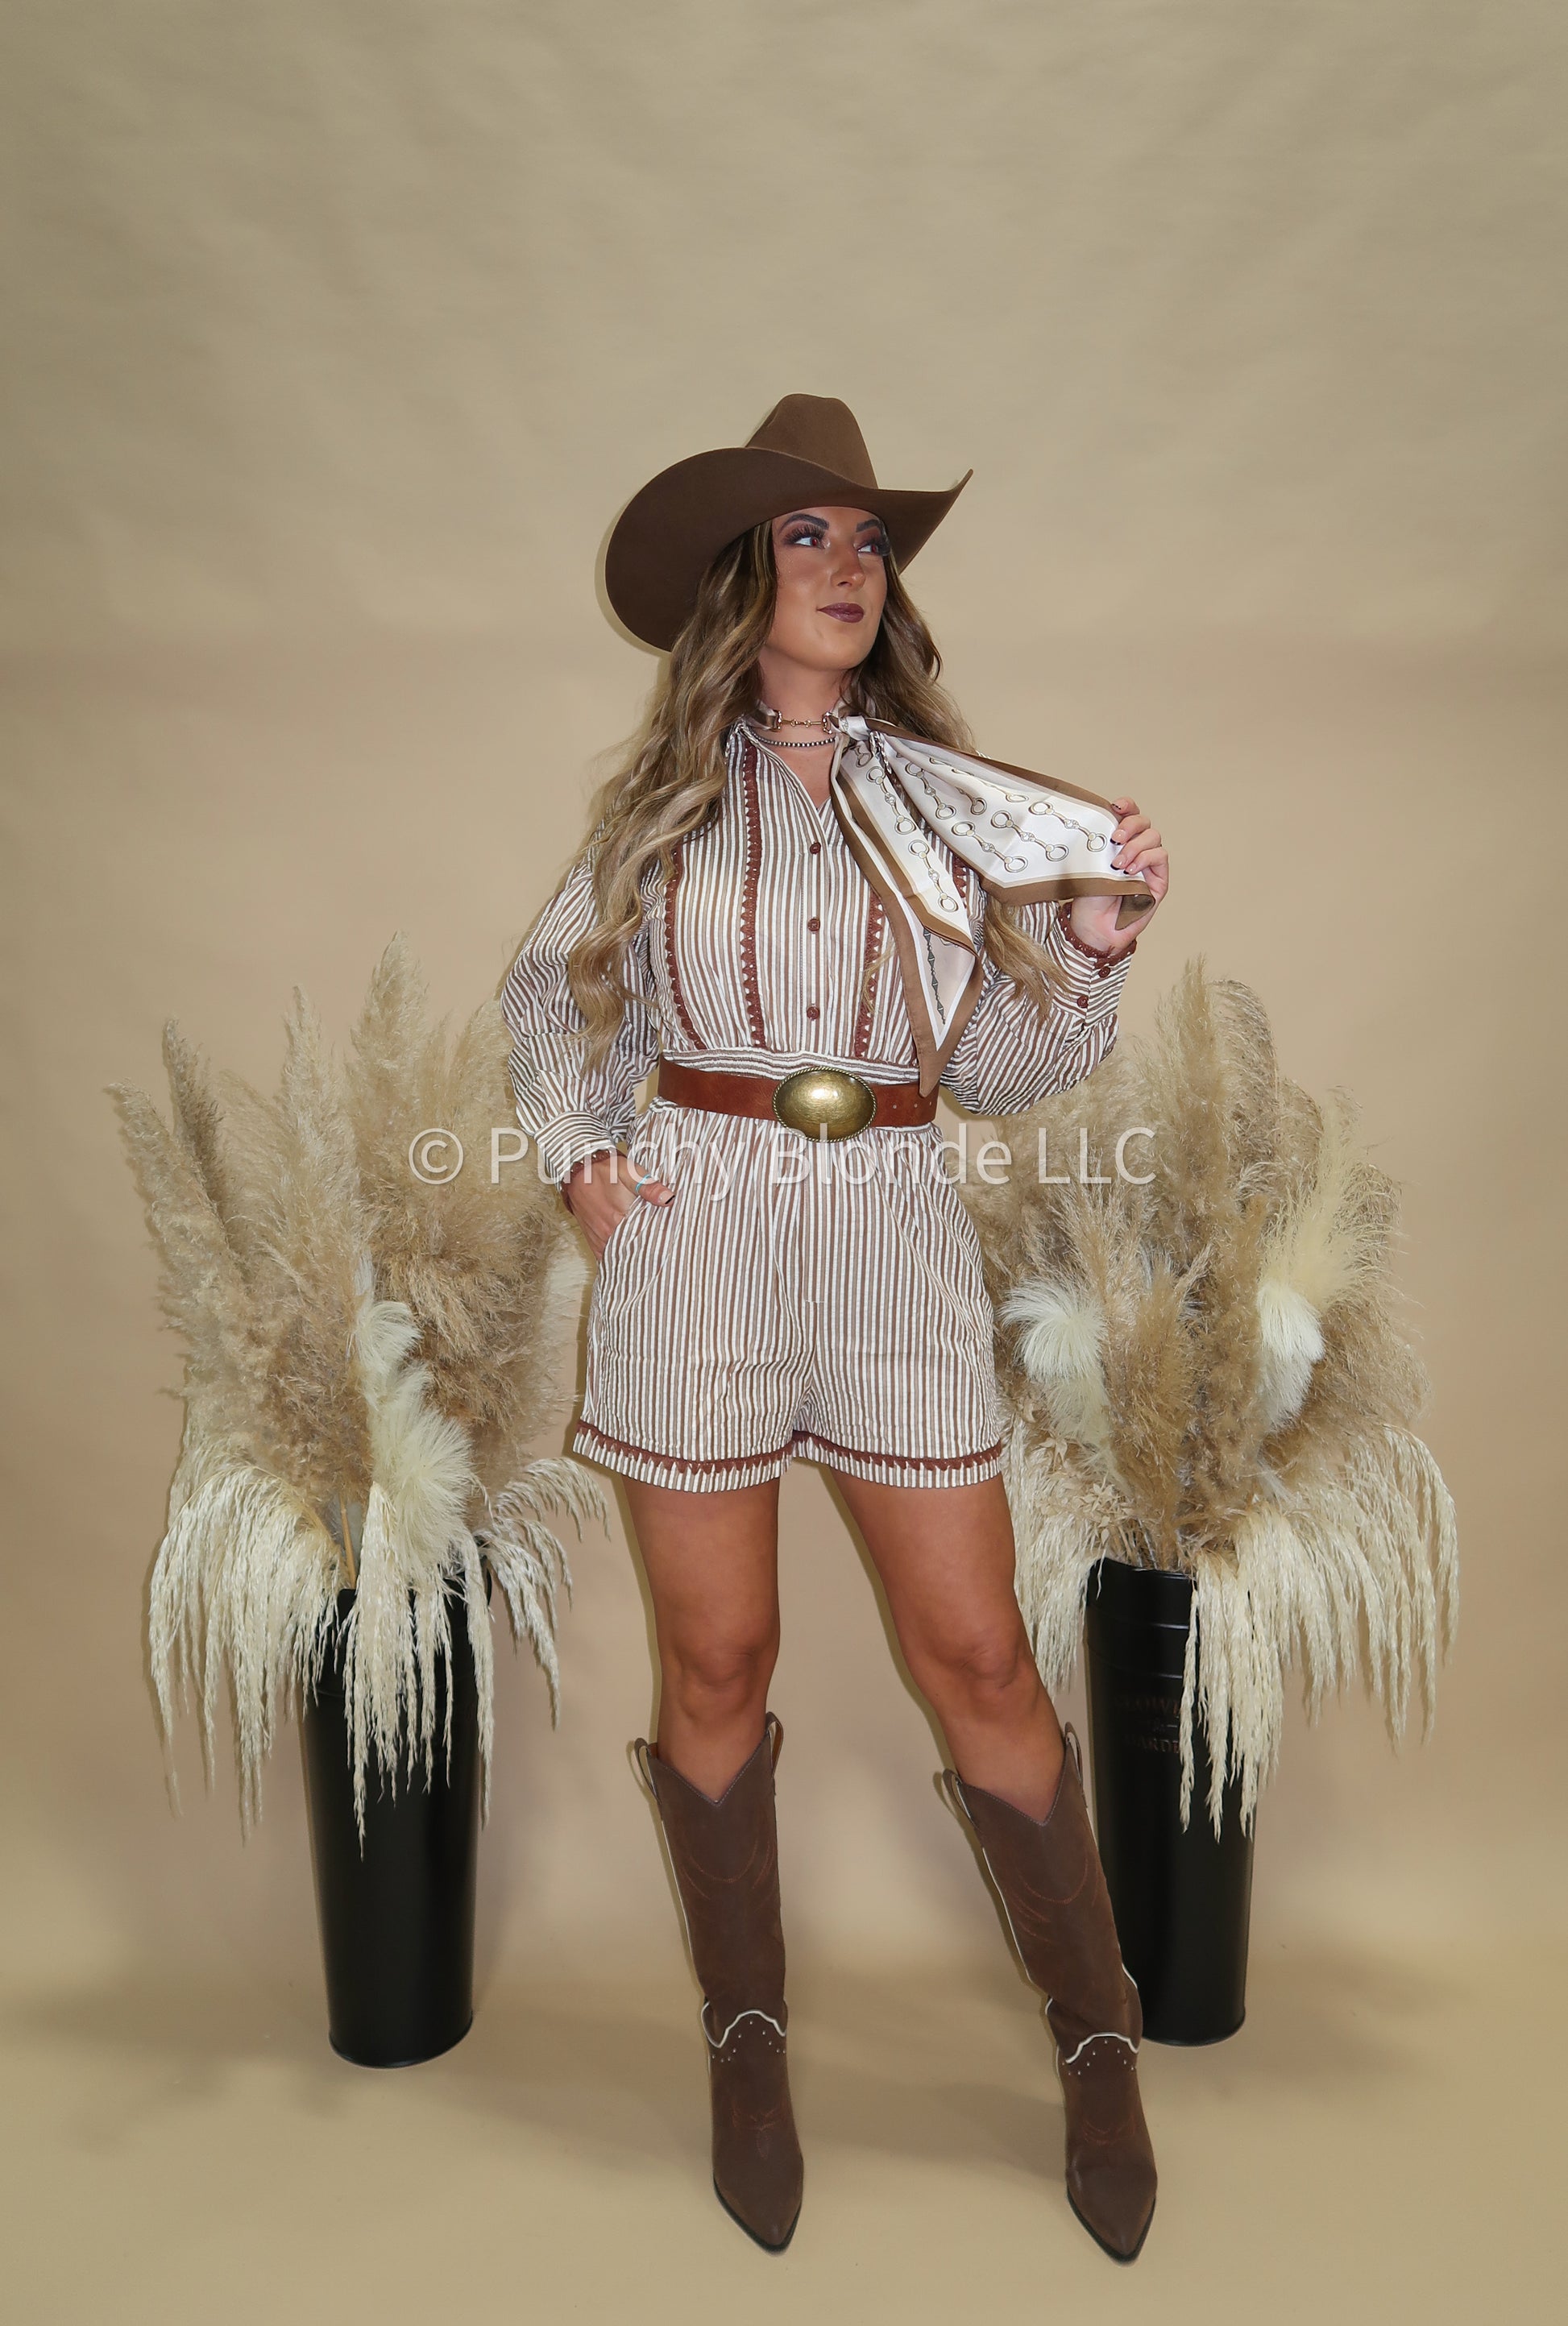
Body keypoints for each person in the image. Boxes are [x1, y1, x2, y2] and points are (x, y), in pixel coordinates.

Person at [500, 396, 1171, 2261]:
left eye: (868, 540)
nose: (848, 566)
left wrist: (1092, 944)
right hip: (698, 1237)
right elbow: (548, 1005)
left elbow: (1001, 1068)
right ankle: (747, 2047)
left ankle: (1096, 2036)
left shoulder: (945, 809)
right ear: (744, 579)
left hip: (888, 1224)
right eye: (808, 536)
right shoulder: (662, 808)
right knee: (717, 1660)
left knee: (978, 1654)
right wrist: (581, 1162)